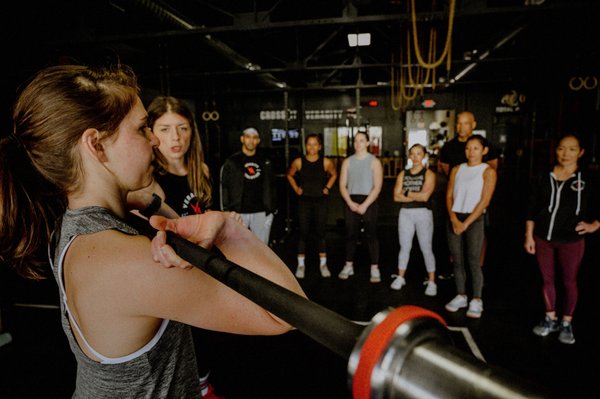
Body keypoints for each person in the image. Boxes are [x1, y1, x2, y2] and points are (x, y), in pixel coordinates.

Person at [0, 64, 306, 398]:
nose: (156, 139)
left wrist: (150, 203)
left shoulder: (71, 226)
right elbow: (285, 314)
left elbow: (173, 226)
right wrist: (230, 231)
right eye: (143, 127)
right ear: (96, 145)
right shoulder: (127, 261)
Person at [145, 95, 219, 398]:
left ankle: (204, 385)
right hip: (175, 277)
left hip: (206, 269)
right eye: (164, 129)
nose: (176, 138)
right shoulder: (151, 181)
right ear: (150, 133)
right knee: (181, 341)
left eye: (183, 128)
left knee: (209, 337)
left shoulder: (201, 169)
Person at [524, 134, 599, 344]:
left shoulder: (587, 179)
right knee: (547, 280)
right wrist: (529, 235)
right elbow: (532, 208)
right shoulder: (542, 176)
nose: (566, 154)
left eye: (572, 149)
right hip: (543, 238)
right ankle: (550, 318)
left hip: (571, 241)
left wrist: (594, 225)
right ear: (555, 150)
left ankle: (567, 322)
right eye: (561, 149)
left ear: (581, 152)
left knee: (568, 282)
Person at [437, 111, 499, 280]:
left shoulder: (485, 146)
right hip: (457, 199)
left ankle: (477, 269)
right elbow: (443, 168)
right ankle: (457, 269)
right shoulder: (449, 147)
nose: (461, 127)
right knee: (454, 233)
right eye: (458, 123)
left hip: (478, 201)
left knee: (478, 237)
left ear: (473, 125)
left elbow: (492, 169)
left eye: (465, 123)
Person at [444, 135, 497, 318]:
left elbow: (485, 201)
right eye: (468, 148)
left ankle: (476, 299)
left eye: (475, 148)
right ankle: (461, 295)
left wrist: (466, 223)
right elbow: (449, 195)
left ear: (484, 150)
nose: (471, 152)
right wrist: (453, 219)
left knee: (473, 260)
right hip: (455, 216)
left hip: (474, 219)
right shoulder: (457, 169)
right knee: (457, 260)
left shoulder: (488, 171)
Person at [286, 133, 338, 279]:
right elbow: (289, 175)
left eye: (315, 144)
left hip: (320, 201)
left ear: (320, 146)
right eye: (309, 144)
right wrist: (296, 188)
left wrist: (327, 188)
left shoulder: (326, 162)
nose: (312, 147)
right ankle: (301, 265)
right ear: (305, 146)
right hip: (304, 202)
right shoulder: (299, 162)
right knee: (303, 232)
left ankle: (323, 264)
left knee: (321, 232)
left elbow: (334, 174)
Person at [391, 144, 437, 296]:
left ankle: (431, 281)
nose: (416, 157)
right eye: (413, 154)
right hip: (406, 213)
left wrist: (407, 191)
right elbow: (396, 197)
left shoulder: (429, 174)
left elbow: (425, 197)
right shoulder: (403, 174)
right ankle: (400, 277)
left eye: (419, 154)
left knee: (426, 247)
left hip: (423, 213)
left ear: (424, 155)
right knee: (404, 247)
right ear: (409, 156)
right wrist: (414, 195)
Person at [338, 130, 384, 283]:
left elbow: (377, 187)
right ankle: (348, 265)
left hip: (369, 201)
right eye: (356, 141)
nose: (358, 144)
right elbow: (342, 186)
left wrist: (364, 205)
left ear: (368, 143)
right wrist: (350, 203)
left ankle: (374, 268)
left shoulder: (374, 162)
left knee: (371, 235)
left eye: (361, 140)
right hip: (351, 200)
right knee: (350, 234)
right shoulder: (348, 161)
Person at [220, 127, 277, 245]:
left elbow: (272, 186)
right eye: (248, 137)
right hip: (238, 212)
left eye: (254, 137)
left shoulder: (265, 162)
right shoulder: (232, 162)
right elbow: (224, 187)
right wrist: (226, 211)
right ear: (242, 139)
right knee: (238, 247)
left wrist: (271, 209)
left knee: (262, 248)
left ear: (258, 141)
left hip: (261, 212)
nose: (251, 140)